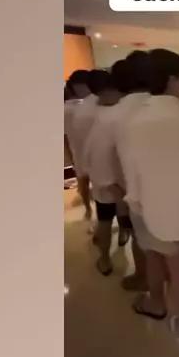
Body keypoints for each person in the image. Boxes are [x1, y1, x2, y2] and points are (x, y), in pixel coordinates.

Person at [121, 48, 179, 344]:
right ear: (172, 79)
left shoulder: (134, 122)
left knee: (176, 272)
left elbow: (132, 173)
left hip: (157, 209)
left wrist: (137, 204)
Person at [89, 51, 152, 290]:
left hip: (121, 188)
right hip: (154, 189)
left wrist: (115, 192)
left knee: (134, 233)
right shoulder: (164, 107)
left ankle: (139, 275)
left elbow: (98, 158)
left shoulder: (112, 116)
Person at [83, 68, 134, 275]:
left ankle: (104, 258)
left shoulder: (93, 112)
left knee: (105, 219)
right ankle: (106, 256)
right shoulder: (117, 115)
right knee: (111, 220)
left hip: (106, 180)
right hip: (115, 181)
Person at [64, 69, 94, 224]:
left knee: (82, 179)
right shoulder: (91, 105)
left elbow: (64, 137)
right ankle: (90, 210)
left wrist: (69, 155)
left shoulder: (65, 109)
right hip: (91, 149)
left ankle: (88, 209)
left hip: (77, 148)